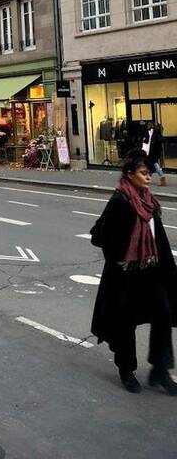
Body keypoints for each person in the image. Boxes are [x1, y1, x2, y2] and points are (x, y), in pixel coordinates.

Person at [91, 152, 177, 394]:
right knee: (125, 323)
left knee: (163, 314)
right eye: (143, 173)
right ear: (129, 175)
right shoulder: (120, 201)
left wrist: (169, 271)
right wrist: (120, 257)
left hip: (151, 272)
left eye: (149, 173)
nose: (148, 177)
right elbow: (99, 235)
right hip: (126, 275)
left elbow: (158, 239)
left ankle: (160, 370)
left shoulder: (149, 200)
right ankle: (126, 370)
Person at [142, 123, 166, 187]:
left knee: (154, 164)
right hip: (150, 151)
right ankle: (148, 177)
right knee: (150, 164)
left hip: (153, 151)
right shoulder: (148, 132)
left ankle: (162, 177)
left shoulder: (156, 132)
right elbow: (147, 141)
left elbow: (159, 140)